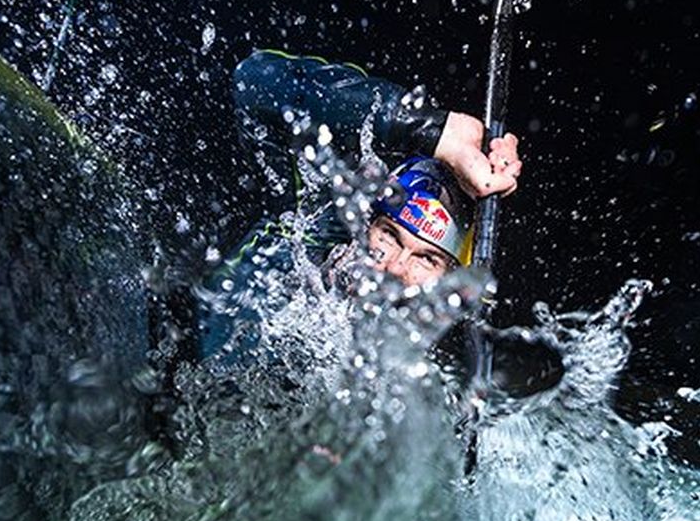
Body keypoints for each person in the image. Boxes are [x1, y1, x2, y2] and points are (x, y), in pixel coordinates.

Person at [199, 49, 522, 359]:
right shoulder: (310, 230)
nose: (394, 269)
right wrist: (431, 129)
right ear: (365, 225)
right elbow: (255, 80)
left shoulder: (421, 379)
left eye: (427, 259)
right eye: (389, 236)